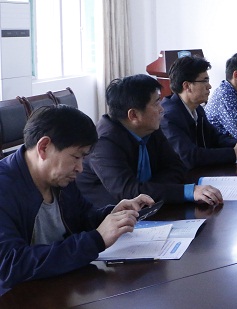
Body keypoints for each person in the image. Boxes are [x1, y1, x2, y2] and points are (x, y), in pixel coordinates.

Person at [0, 105, 154, 295]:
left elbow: (82, 218)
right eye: (76, 157)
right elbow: (10, 265)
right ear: (44, 147)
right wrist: (96, 240)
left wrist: (112, 215)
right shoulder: (5, 188)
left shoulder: (60, 177)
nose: (80, 168)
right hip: (18, 297)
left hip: (60, 288)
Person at [77, 74, 222, 207]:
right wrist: (188, 191)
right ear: (133, 115)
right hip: (108, 215)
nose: (162, 109)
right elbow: (128, 192)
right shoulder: (104, 143)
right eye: (156, 103)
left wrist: (147, 188)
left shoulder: (149, 127)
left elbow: (177, 167)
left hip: (149, 207)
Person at [160, 56, 237, 169]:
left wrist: (236, 143)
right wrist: (235, 153)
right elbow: (189, 156)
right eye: (204, 81)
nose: (209, 86)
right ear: (187, 86)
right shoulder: (168, 116)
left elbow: (215, 138)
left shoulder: (197, 109)